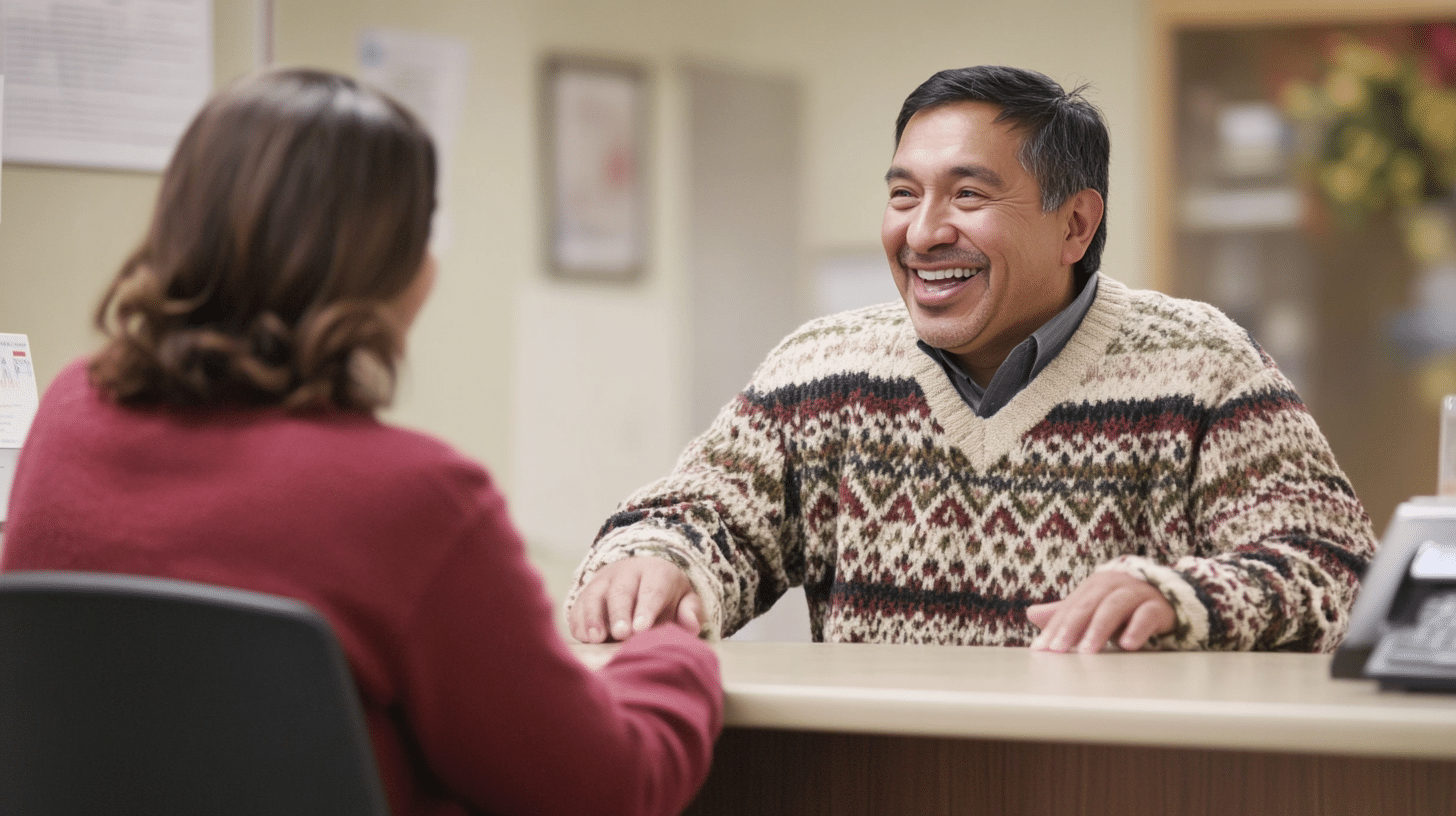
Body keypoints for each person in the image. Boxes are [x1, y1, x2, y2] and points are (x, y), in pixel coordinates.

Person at [1, 68, 721, 816]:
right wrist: (672, 653)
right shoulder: (415, 499)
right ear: (388, 272)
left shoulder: (65, 418)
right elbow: (612, 790)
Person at [567, 65, 1377, 654]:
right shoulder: (820, 371)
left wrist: (1182, 598)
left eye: (968, 195)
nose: (922, 234)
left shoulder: (1205, 368)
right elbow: (699, 519)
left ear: (1076, 226)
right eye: (903, 194)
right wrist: (654, 563)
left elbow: (1339, 573)